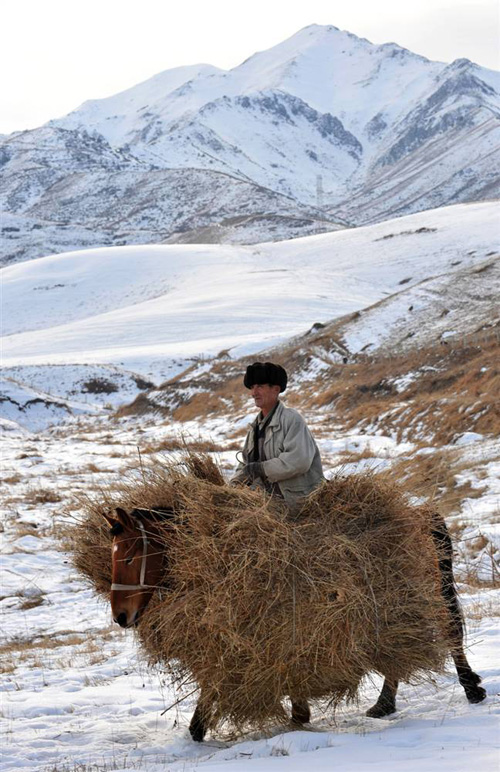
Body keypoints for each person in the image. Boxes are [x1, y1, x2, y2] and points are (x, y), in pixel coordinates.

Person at [231, 361, 324, 516]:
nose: (254, 392)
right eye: (252, 387)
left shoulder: (292, 419)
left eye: (260, 386)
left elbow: (298, 461)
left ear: (276, 389)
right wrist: (233, 485)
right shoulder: (255, 427)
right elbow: (246, 464)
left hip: (296, 503)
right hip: (266, 504)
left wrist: (260, 469)